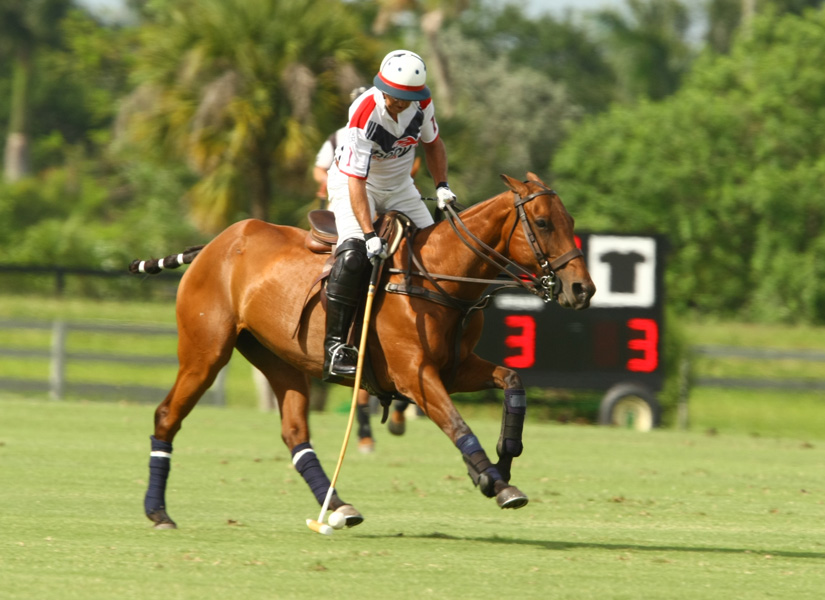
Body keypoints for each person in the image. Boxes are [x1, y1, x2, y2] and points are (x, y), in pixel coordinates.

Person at [323, 49, 457, 379]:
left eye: (407, 97)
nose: (401, 102)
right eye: (396, 96)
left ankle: (443, 338)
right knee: (354, 255)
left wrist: (441, 186)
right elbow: (356, 178)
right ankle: (336, 347)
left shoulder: (422, 105)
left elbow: (433, 144)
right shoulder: (364, 111)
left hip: (401, 187)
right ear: (383, 88)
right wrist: (369, 234)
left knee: (439, 250)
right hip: (355, 184)